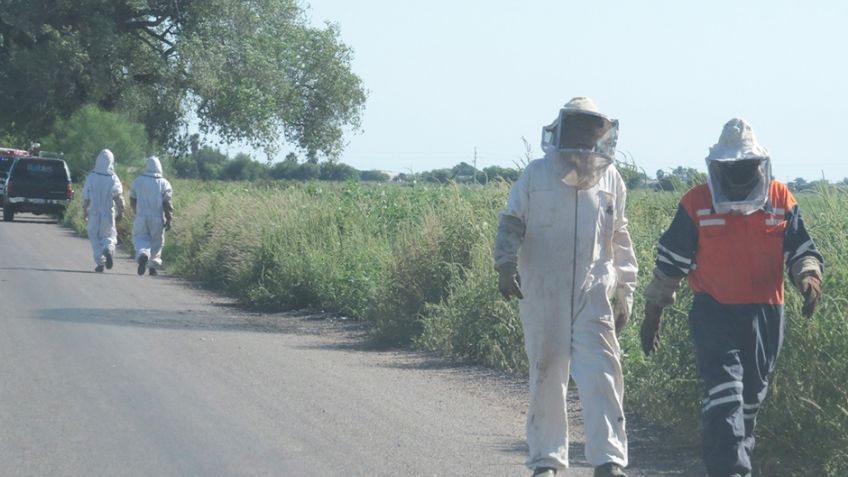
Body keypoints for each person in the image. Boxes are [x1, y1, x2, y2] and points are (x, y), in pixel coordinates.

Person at [640, 118, 823, 477]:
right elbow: (669, 266)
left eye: (746, 166)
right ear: (719, 167)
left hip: (767, 313)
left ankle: (725, 461)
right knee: (726, 393)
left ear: (759, 165)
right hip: (714, 310)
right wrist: (652, 315)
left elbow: (802, 249)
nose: (739, 173)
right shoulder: (696, 202)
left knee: (749, 401)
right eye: (732, 167)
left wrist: (809, 277)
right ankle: (732, 470)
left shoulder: (780, 198)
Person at [494, 97, 637, 477]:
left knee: (602, 373)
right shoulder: (536, 174)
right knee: (547, 372)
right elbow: (511, 222)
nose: (585, 136)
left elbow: (619, 235)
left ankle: (608, 461)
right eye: (578, 127)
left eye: (592, 129)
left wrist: (626, 288)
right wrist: (505, 265)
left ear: (600, 134)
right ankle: (547, 461)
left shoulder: (610, 178)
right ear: (563, 129)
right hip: (543, 290)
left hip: (593, 291)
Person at [130, 155, 173, 276]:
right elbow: (167, 202)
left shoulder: (138, 181)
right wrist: (169, 217)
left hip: (141, 215)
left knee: (140, 237)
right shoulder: (164, 183)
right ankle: (153, 266)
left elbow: (132, 198)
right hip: (157, 216)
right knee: (157, 242)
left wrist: (136, 211)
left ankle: (143, 254)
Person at [82, 149, 125, 273]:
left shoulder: (91, 176)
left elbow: (86, 197)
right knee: (109, 235)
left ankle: (100, 262)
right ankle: (109, 249)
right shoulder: (113, 178)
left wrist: (85, 212)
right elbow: (118, 197)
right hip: (108, 212)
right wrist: (121, 212)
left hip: (94, 212)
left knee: (94, 236)